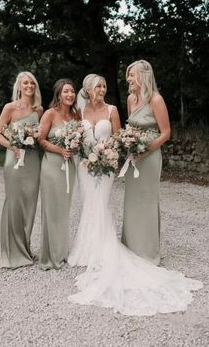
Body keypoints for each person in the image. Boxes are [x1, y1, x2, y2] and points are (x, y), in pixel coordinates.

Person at [67, 73, 202, 316]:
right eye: (99, 86)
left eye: (104, 86)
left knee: (108, 203)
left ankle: (115, 249)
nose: (103, 89)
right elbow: (79, 135)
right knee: (91, 203)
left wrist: (111, 153)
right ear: (87, 89)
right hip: (86, 165)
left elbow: (120, 136)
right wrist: (85, 151)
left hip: (111, 164)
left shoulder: (121, 107)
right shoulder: (88, 108)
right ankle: (90, 249)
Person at [121, 60, 171, 265]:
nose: (128, 79)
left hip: (149, 159)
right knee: (132, 200)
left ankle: (148, 250)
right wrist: (129, 145)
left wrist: (145, 150)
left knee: (147, 200)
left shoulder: (156, 100)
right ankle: (131, 247)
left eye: (132, 75)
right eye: (128, 75)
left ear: (143, 76)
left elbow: (166, 133)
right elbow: (130, 129)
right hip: (133, 157)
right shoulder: (131, 99)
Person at [0, 71, 43, 268]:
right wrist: (13, 146)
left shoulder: (38, 110)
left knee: (30, 205)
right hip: (13, 160)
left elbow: (40, 136)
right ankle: (11, 252)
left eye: (32, 83)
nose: (29, 86)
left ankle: (25, 249)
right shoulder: (10, 107)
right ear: (19, 86)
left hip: (32, 161)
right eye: (25, 83)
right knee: (14, 203)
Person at [38, 79, 79, 270]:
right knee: (52, 208)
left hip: (69, 166)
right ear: (58, 95)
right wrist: (59, 150)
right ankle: (50, 255)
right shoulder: (49, 114)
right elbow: (41, 139)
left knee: (64, 208)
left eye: (72, 91)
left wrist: (74, 147)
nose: (70, 95)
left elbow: (79, 140)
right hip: (52, 165)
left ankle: (62, 252)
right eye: (66, 92)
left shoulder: (75, 115)